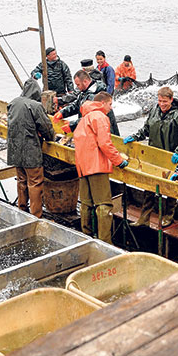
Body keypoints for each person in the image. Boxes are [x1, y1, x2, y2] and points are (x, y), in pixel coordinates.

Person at [123, 86, 178, 227]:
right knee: (149, 187)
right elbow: (146, 130)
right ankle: (144, 218)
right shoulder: (154, 111)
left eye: (165, 101)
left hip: (171, 158)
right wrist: (135, 136)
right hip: (154, 156)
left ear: (171, 100)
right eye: (160, 101)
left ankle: (169, 216)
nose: (162, 104)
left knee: (170, 188)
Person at [73, 92, 128, 243]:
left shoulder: (84, 119)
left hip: (82, 167)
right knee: (104, 205)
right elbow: (105, 143)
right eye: (110, 104)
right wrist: (118, 160)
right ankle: (105, 241)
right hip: (97, 166)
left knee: (86, 203)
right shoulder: (100, 117)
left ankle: (86, 235)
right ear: (102, 103)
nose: (111, 108)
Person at [7, 78, 55, 217]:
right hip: (30, 150)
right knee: (35, 183)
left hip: (15, 149)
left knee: (22, 180)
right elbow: (46, 127)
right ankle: (36, 216)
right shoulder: (35, 106)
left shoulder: (13, 102)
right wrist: (51, 138)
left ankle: (22, 210)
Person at [54, 70, 120, 136]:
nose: (77, 87)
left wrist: (72, 126)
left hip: (105, 132)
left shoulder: (95, 96)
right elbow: (76, 106)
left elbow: (89, 118)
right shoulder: (84, 92)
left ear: (85, 81)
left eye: (78, 85)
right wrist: (62, 113)